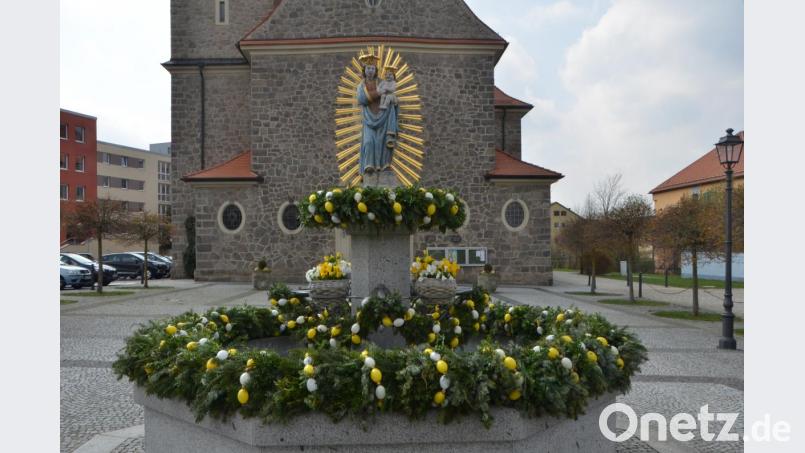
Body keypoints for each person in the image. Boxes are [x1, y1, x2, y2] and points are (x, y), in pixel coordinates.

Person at [356, 52, 399, 175]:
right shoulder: (361, 86)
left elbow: (391, 94)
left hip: (383, 117)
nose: (370, 71)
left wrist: (395, 101)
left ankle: (384, 165)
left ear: (376, 70)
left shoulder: (382, 82)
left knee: (383, 142)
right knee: (369, 142)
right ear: (364, 70)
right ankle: (369, 165)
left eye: (372, 68)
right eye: (368, 68)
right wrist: (378, 93)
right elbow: (361, 99)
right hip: (369, 119)